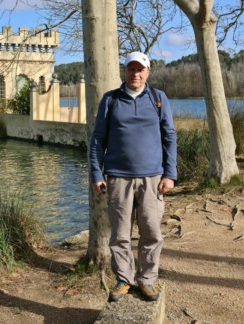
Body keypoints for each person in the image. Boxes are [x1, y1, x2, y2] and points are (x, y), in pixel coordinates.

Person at [89, 51, 177, 302]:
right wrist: (97, 173)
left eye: (140, 69)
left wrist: (170, 174)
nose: (135, 74)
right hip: (118, 178)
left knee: (151, 232)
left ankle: (147, 279)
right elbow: (97, 141)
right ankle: (124, 279)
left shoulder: (158, 98)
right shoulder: (111, 100)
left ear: (147, 72)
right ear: (125, 71)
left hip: (153, 178)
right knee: (120, 235)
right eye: (131, 69)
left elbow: (170, 137)